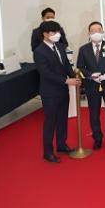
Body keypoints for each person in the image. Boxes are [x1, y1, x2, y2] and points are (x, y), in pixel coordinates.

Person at [33, 20, 78, 163]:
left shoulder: (60, 46)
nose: (57, 34)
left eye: (58, 32)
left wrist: (74, 76)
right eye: (54, 32)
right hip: (50, 93)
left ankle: (62, 145)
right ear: (45, 34)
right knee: (50, 122)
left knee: (62, 119)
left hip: (63, 91)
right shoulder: (39, 51)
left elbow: (66, 65)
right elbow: (46, 73)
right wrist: (66, 81)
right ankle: (48, 152)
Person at [76, 21, 105, 150]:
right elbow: (80, 66)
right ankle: (97, 138)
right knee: (94, 113)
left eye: (98, 30)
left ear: (103, 32)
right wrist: (91, 74)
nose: (96, 33)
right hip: (92, 85)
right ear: (89, 33)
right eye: (93, 31)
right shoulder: (84, 49)